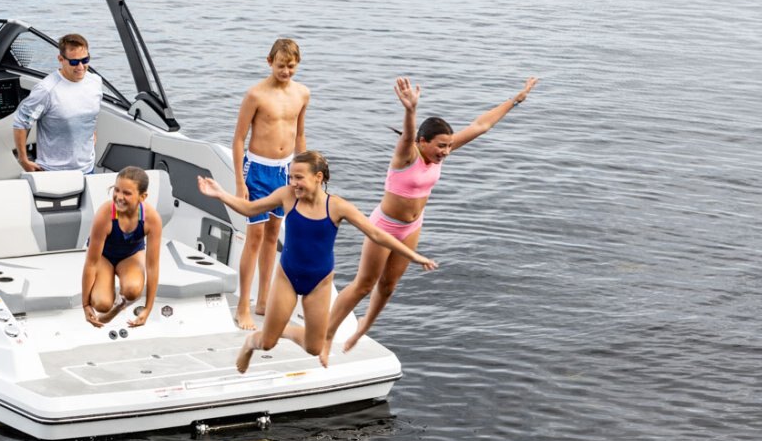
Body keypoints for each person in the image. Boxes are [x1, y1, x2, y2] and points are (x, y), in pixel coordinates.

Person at [328, 75, 539, 353]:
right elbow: (407, 135)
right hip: (384, 226)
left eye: (449, 146)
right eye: (441, 146)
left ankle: (363, 327)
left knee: (389, 286)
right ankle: (326, 334)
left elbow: (481, 126)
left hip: (412, 226)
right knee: (364, 285)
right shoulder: (407, 155)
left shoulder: (440, 151)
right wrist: (410, 109)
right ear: (422, 142)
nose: (446, 152)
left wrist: (515, 100)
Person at [198, 151, 437, 371]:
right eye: (291, 177)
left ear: (318, 177)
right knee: (267, 343)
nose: (293, 182)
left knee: (314, 347)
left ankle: (285, 331)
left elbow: (376, 233)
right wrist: (220, 194)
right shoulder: (287, 196)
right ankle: (251, 343)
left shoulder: (337, 206)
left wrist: (413, 255)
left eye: (299, 177)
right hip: (288, 277)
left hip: (319, 282)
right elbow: (250, 209)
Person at [229, 38, 310, 331]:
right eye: (281, 66)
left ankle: (263, 301)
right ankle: (243, 306)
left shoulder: (302, 93)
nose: (286, 71)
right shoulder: (256, 95)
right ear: (269, 62)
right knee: (254, 236)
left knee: (274, 235)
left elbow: (299, 135)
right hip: (258, 171)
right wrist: (240, 182)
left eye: (291, 66)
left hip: (285, 171)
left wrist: (304, 175)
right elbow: (238, 139)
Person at [82, 167, 163, 328]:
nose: (119, 197)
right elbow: (91, 263)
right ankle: (109, 300)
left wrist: (148, 309)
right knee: (102, 304)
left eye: (127, 193)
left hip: (130, 255)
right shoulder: (104, 214)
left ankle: (120, 305)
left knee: (133, 290)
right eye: (116, 190)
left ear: (142, 197)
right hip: (104, 256)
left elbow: (152, 267)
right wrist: (85, 305)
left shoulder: (152, 219)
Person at [11, 33, 104, 173]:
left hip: (88, 168)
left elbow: (91, 113)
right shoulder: (46, 90)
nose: (80, 66)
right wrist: (23, 160)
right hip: (53, 171)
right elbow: (21, 122)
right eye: (74, 62)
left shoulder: (95, 82)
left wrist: (92, 134)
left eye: (85, 60)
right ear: (61, 59)